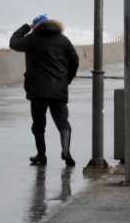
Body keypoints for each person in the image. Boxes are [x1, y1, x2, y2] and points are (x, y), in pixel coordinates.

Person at [9, 14, 79, 167]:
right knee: (62, 122)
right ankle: (66, 151)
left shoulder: (32, 39)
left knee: (38, 123)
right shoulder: (63, 40)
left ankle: (41, 155)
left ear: (36, 26)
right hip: (58, 89)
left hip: (37, 90)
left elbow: (13, 43)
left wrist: (26, 27)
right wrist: (66, 80)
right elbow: (75, 60)